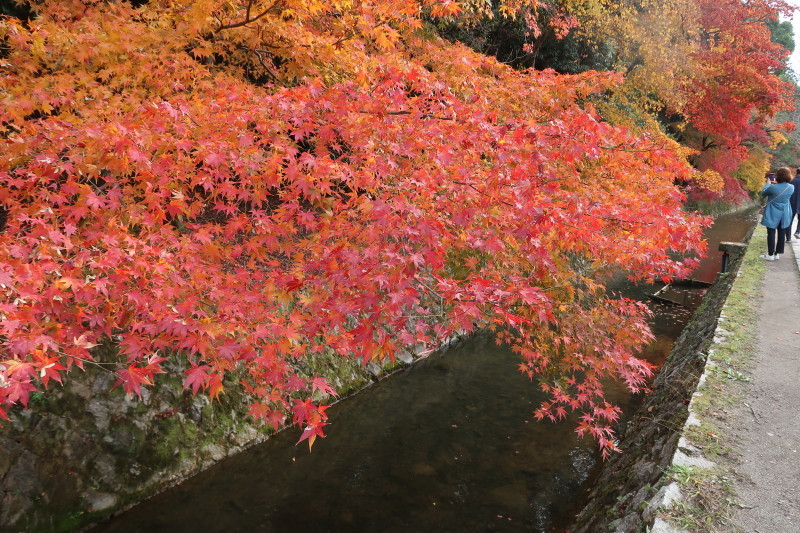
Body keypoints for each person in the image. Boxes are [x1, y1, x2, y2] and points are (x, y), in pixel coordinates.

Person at [760, 167, 794, 261]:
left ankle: (770, 254)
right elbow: (781, 190)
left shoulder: (772, 187)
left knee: (771, 232)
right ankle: (777, 254)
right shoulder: (791, 187)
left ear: (777, 176)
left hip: (773, 212)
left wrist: (768, 184)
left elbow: (763, 193)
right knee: (782, 232)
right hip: (785, 213)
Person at [791, 167, 800, 240]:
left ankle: (787, 235)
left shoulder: (793, 181)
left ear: (797, 173)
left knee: (790, 219)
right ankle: (797, 231)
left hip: (792, 202)